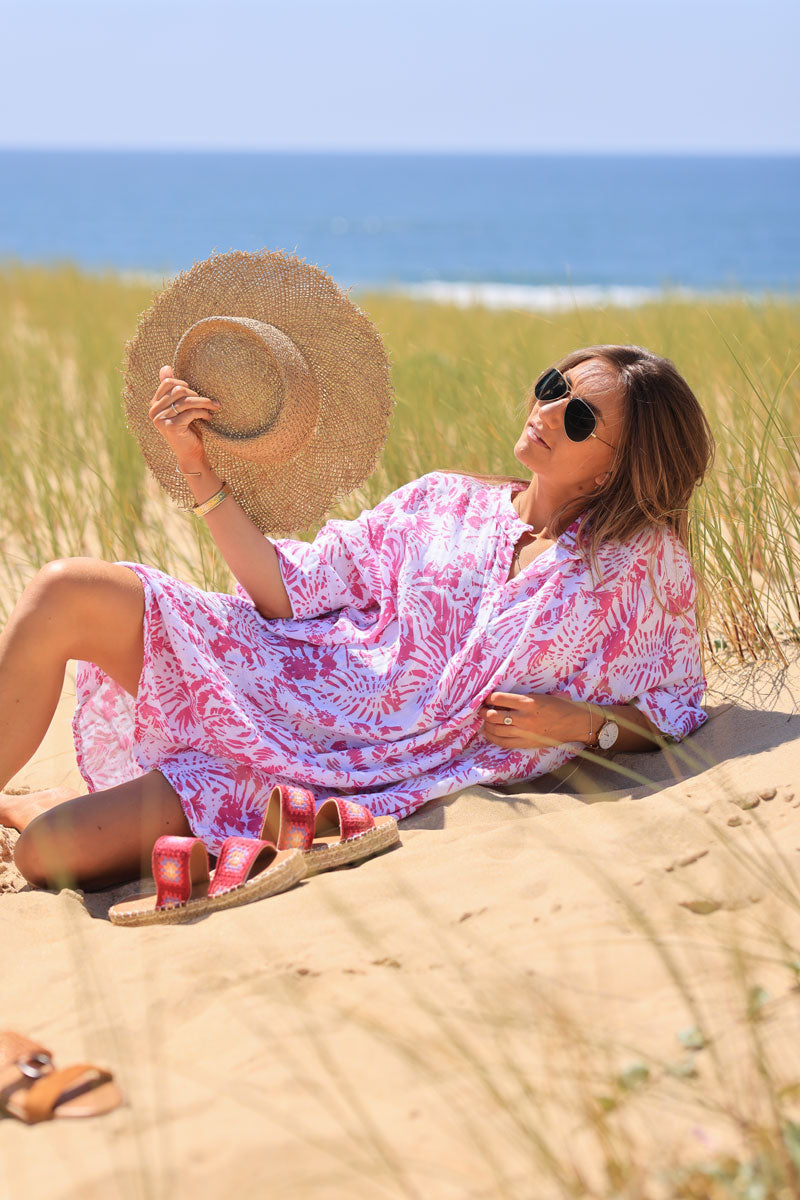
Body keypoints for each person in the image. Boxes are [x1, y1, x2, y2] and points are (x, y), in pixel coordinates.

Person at [1, 343, 713, 893]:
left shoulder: (635, 569)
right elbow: (291, 588)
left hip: (349, 775)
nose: (548, 410)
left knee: (47, 855)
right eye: (555, 387)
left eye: (579, 417)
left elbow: (673, 708)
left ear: (616, 469)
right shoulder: (442, 500)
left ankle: (32, 806)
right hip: (276, 675)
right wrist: (196, 464)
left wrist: (576, 722)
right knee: (66, 589)